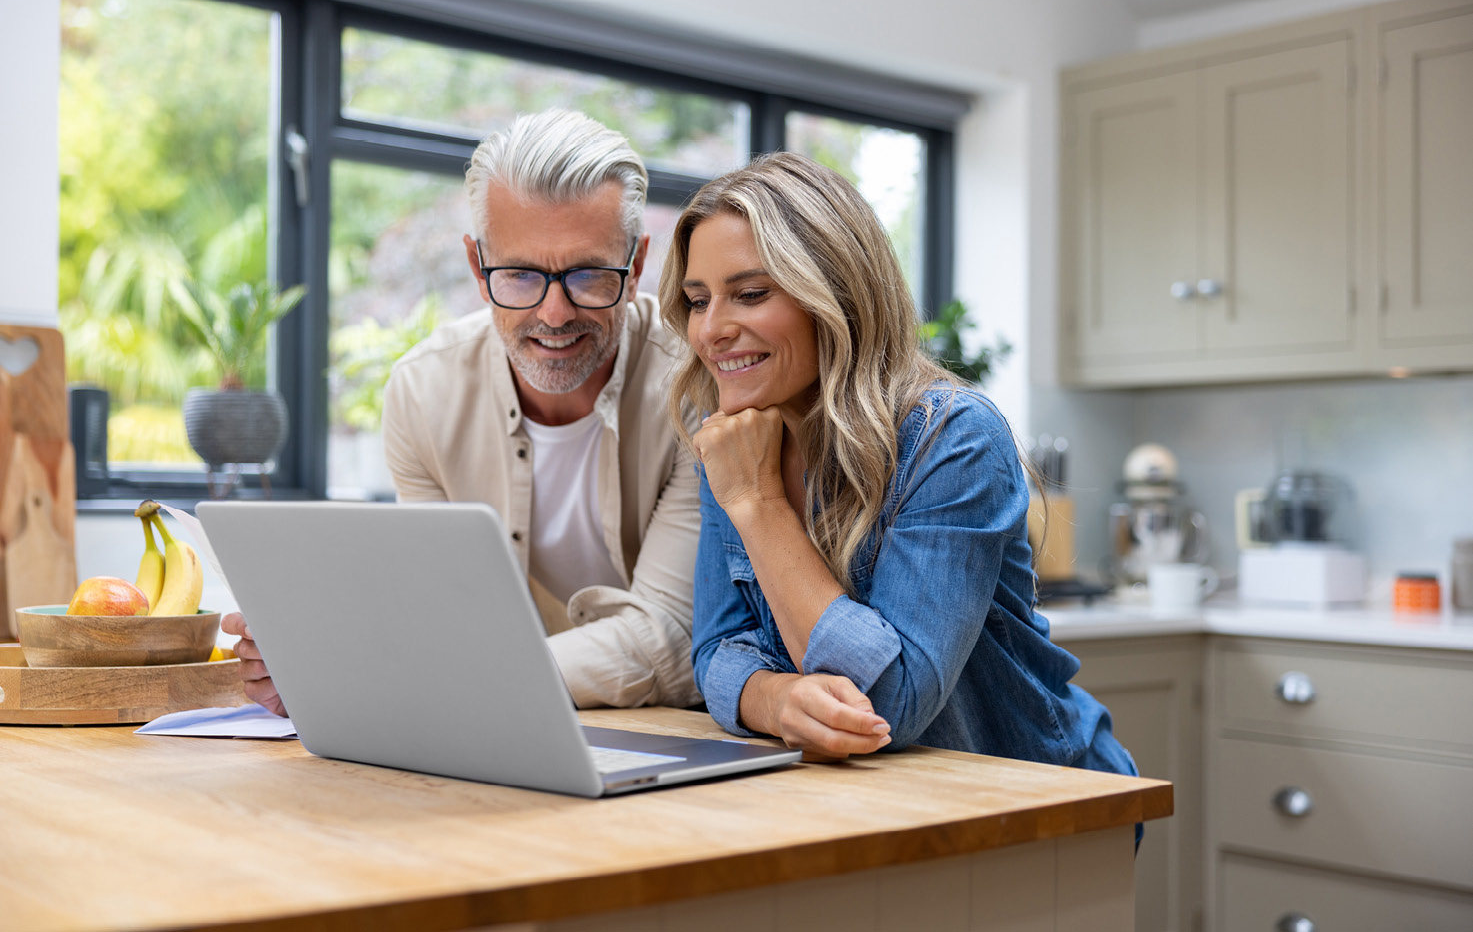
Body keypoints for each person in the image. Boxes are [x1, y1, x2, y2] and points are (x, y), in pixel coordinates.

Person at [657, 151, 1137, 777]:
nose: (711, 330)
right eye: (697, 300)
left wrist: (759, 503)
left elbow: (891, 701)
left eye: (749, 294)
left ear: (832, 293)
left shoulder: (952, 438)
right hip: (886, 805)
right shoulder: (736, 439)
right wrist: (774, 700)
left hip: (1040, 799)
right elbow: (717, 649)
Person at [223, 109, 703, 716]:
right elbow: (442, 612)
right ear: (478, 267)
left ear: (635, 269)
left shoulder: (694, 386)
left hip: (670, 739)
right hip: (498, 724)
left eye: (587, 274)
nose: (554, 314)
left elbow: (666, 636)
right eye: (521, 275)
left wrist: (395, 675)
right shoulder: (423, 395)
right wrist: (328, 659)